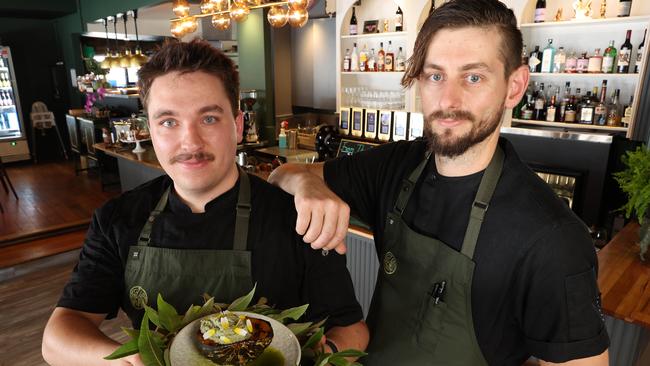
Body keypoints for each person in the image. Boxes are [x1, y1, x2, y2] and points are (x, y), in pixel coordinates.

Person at [268, 0, 609, 365]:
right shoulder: (396, 165)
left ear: (514, 87)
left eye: (473, 77)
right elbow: (282, 175)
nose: (448, 100)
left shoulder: (553, 238)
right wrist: (308, 187)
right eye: (435, 76)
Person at [42, 40, 368, 366]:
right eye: (169, 122)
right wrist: (123, 362)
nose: (191, 142)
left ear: (238, 126)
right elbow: (59, 337)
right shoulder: (117, 219)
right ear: (151, 131)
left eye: (209, 118)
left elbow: (351, 328)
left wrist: (319, 359)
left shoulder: (298, 217)